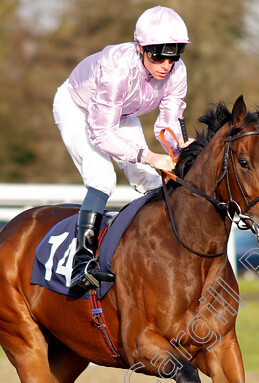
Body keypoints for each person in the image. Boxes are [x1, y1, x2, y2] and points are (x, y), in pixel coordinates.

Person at [53, 5, 192, 293]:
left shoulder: (177, 72)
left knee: (151, 181)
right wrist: (150, 156)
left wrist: (179, 148)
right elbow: (102, 133)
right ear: (140, 48)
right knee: (103, 179)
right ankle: (82, 264)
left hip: (122, 113)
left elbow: (167, 124)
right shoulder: (117, 69)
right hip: (78, 108)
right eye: (157, 54)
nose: (166, 64)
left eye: (174, 53)